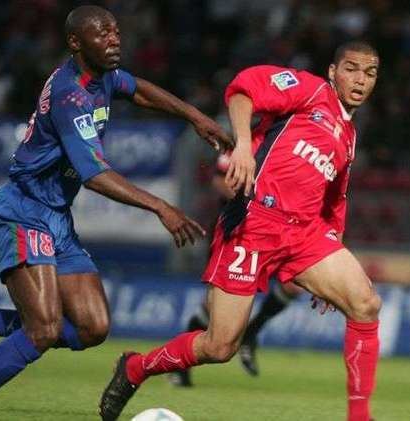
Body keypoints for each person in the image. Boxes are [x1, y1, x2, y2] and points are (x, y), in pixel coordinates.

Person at [0, 5, 230, 420]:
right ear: (75, 43)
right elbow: (93, 174)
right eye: (102, 33)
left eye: (115, 31)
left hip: (56, 217)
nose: (114, 39)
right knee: (44, 330)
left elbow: (139, 89)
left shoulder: (103, 77)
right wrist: (160, 206)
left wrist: (195, 116)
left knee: (92, 327)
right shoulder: (70, 95)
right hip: (22, 211)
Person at [99, 41, 381, 421]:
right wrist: (244, 147)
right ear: (333, 72)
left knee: (365, 304)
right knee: (219, 346)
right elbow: (243, 89)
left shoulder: (348, 137)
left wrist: (332, 253)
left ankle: (360, 417)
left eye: (369, 73)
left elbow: (335, 202)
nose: (360, 80)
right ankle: (136, 368)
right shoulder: (310, 89)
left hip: (305, 234)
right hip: (253, 223)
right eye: (351, 69)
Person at [169, 153, 302, 387]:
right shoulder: (238, 149)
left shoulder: (284, 147)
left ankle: (251, 333)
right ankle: (179, 368)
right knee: (211, 309)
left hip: (276, 230)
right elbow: (219, 181)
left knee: (294, 285)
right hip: (237, 230)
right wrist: (249, 196)